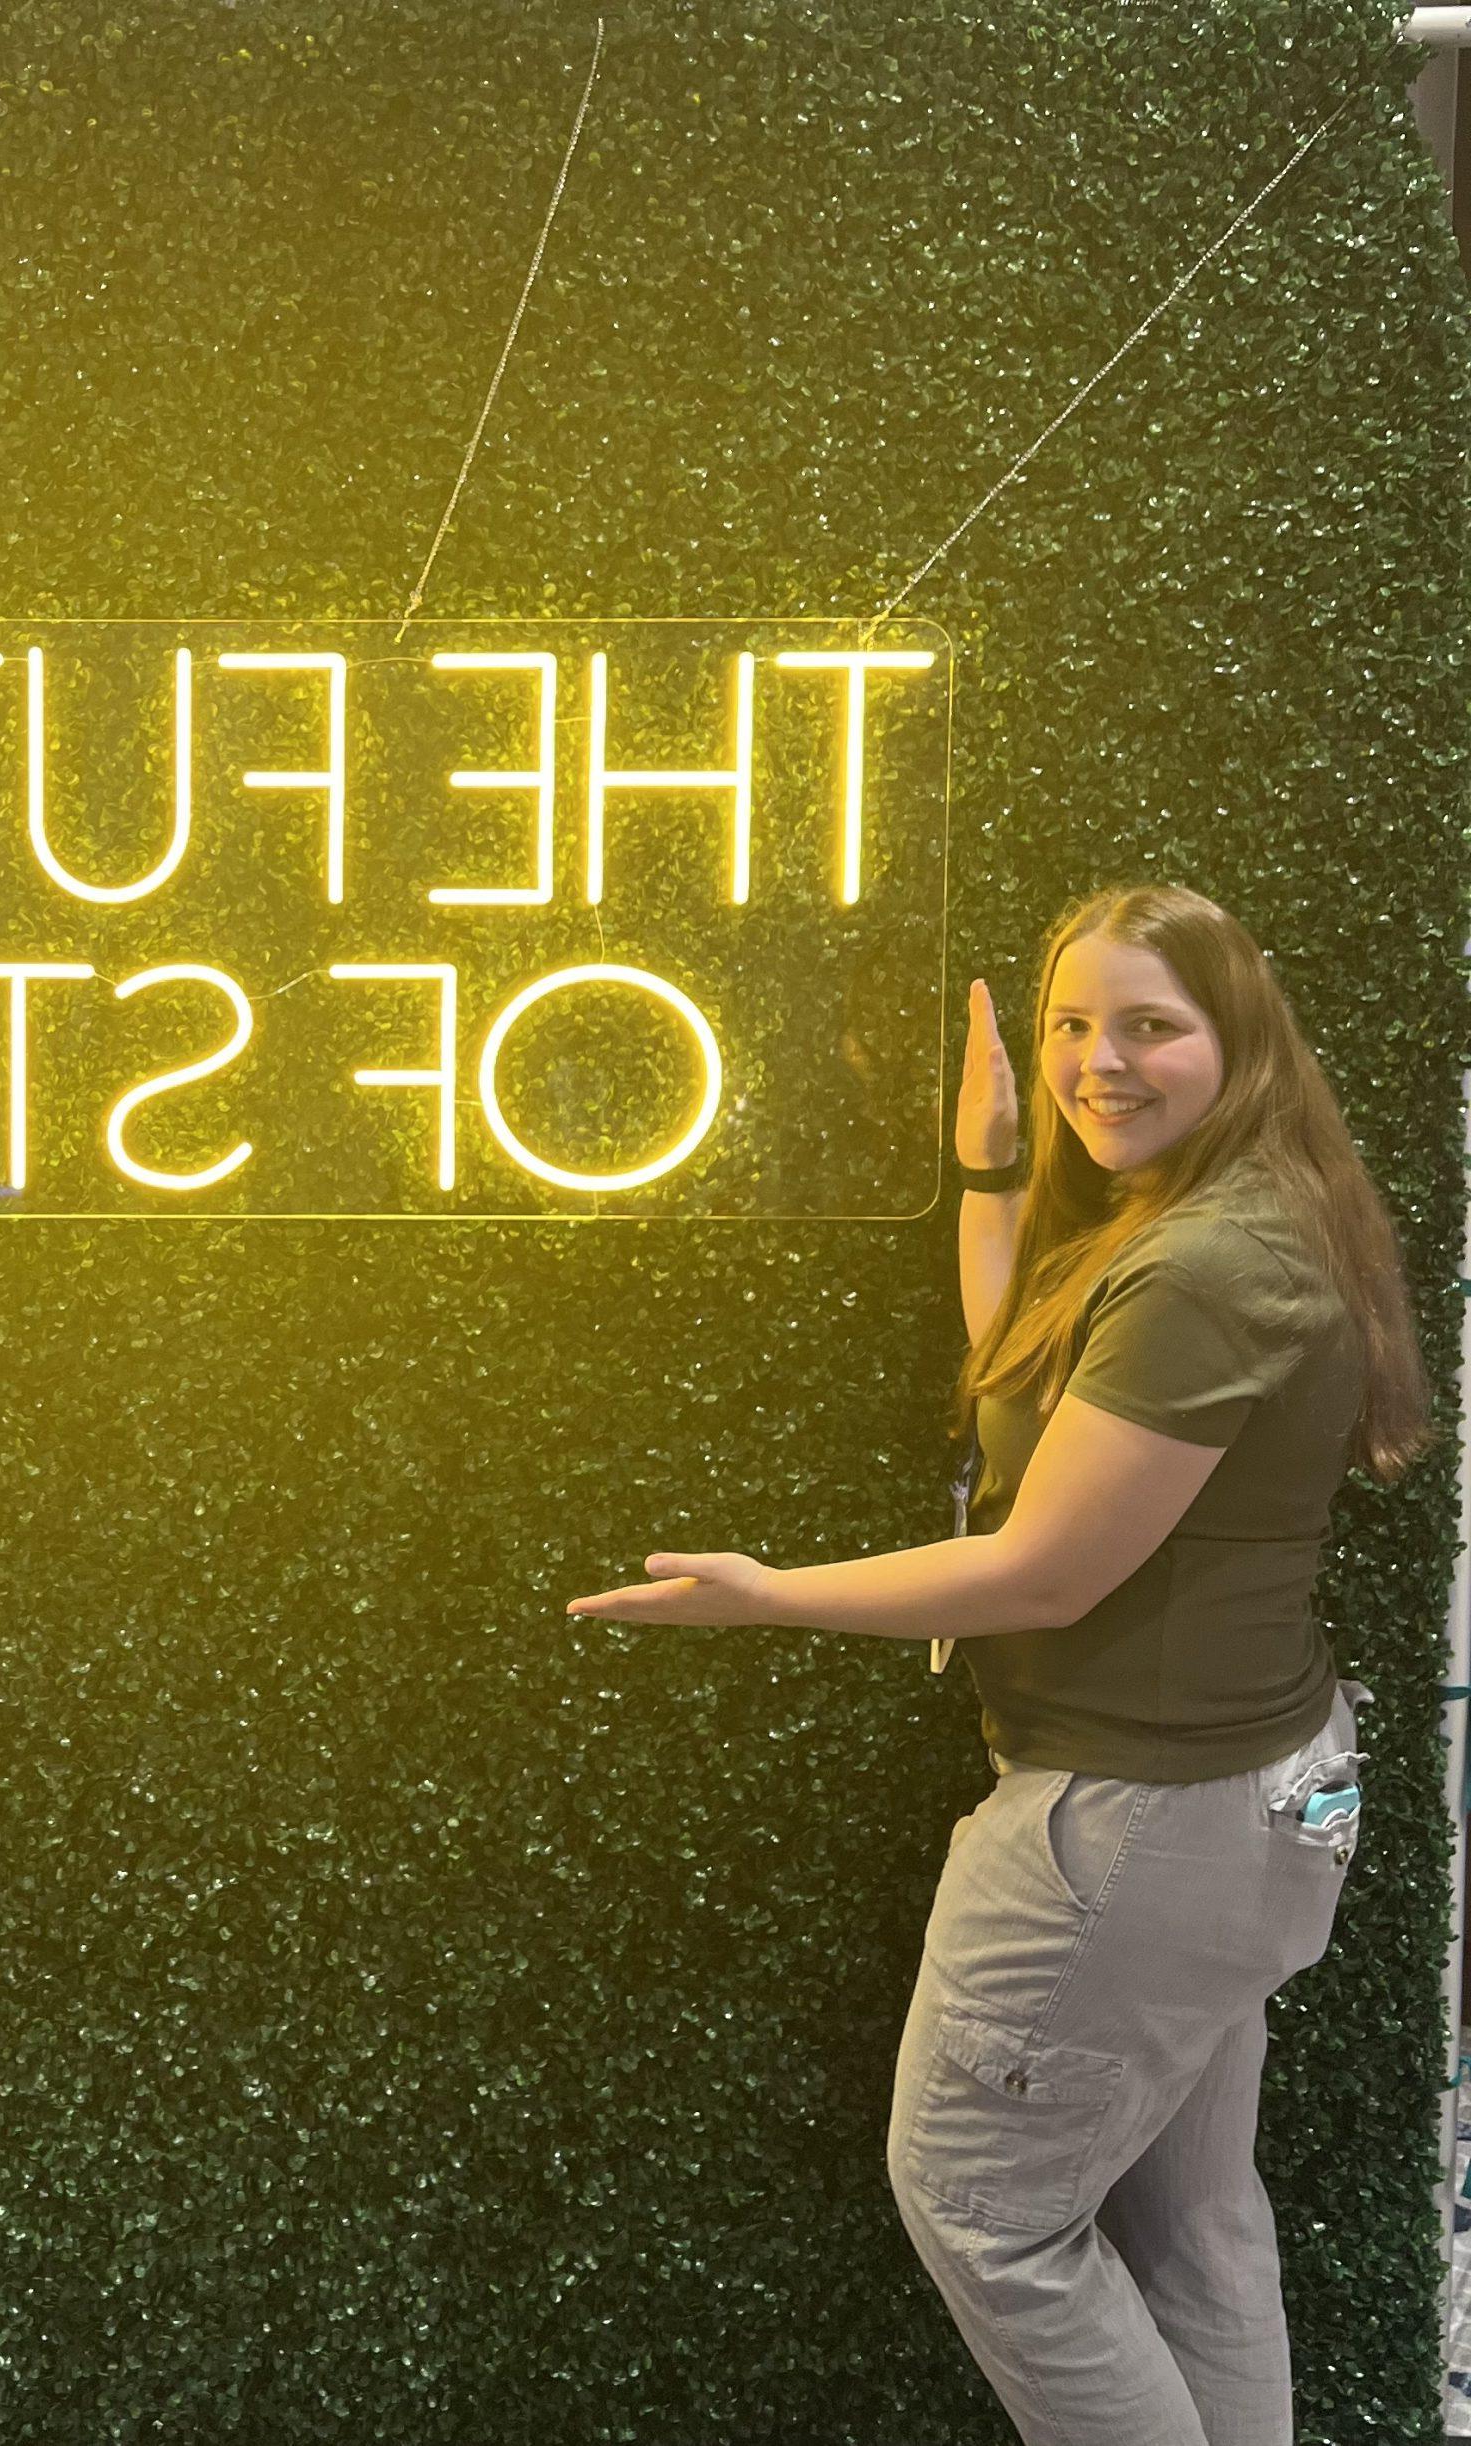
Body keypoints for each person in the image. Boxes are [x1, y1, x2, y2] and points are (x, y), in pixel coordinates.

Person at [568, 882, 1426, 2446]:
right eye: (1075, 1024)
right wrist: (991, 1162)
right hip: (1254, 1802)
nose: (1104, 1060)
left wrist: (771, 1595)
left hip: (1139, 1823)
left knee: (984, 2206)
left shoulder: (1203, 1268)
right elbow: (1022, 1366)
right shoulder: (1211, 1226)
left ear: (1239, 1043)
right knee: (1189, 2219)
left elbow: (1046, 1566)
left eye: (1151, 1026)